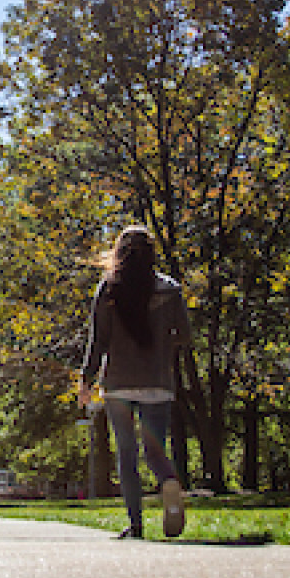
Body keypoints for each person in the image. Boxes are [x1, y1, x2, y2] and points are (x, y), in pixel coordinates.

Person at [78, 225, 193, 539]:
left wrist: (85, 380)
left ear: (119, 252)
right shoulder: (170, 289)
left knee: (126, 454)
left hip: (119, 383)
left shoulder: (109, 288)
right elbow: (185, 334)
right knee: (156, 451)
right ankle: (168, 483)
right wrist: (162, 341)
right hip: (157, 381)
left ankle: (136, 524)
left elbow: (98, 341)